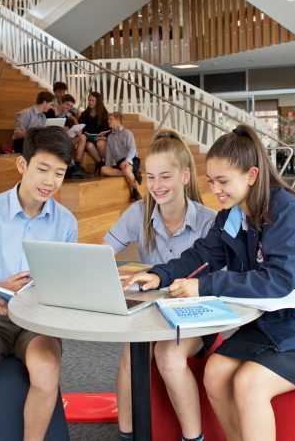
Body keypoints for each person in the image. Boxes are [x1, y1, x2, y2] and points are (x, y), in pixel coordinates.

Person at [124, 124, 295, 441]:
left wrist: (205, 286)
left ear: (251, 175)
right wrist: (160, 274)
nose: (215, 190)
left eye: (223, 181)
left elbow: (277, 281)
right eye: (211, 181)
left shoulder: (285, 211)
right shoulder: (231, 216)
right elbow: (201, 255)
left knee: (248, 383)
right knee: (215, 372)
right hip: (273, 324)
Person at [0, 126, 78, 441]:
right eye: (43, 169)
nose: (50, 181)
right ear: (23, 165)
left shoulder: (66, 223)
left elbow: (65, 282)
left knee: (46, 369)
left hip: (38, 318)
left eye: (60, 174)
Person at [104, 130, 217, 441]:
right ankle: (126, 435)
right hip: (151, 310)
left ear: (184, 176)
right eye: (150, 177)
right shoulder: (139, 213)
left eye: (164, 176)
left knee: (168, 355)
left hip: (196, 312)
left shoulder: (209, 221)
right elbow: (102, 254)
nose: (156, 186)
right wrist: (107, 274)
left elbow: (218, 277)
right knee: (130, 357)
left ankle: (194, 438)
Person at [100, 111, 142, 201]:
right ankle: (133, 173)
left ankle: (135, 191)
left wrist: (127, 160)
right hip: (120, 163)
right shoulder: (110, 138)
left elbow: (133, 150)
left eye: (110, 119)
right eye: (108, 119)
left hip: (132, 159)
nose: (108, 121)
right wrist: (107, 166)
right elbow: (109, 156)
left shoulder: (127, 133)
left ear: (118, 120)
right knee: (103, 170)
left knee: (126, 168)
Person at [78, 91, 110, 171]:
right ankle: (100, 163)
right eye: (89, 100)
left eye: (93, 100)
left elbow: (109, 129)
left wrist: (103, 137)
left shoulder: (104, 114)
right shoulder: (84, 114)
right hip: (89, 140)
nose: (90, 102)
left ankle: (108, 163)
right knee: (89, 146)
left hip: (101, 139)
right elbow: (81, 127)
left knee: (100, 144)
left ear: (97, 102)